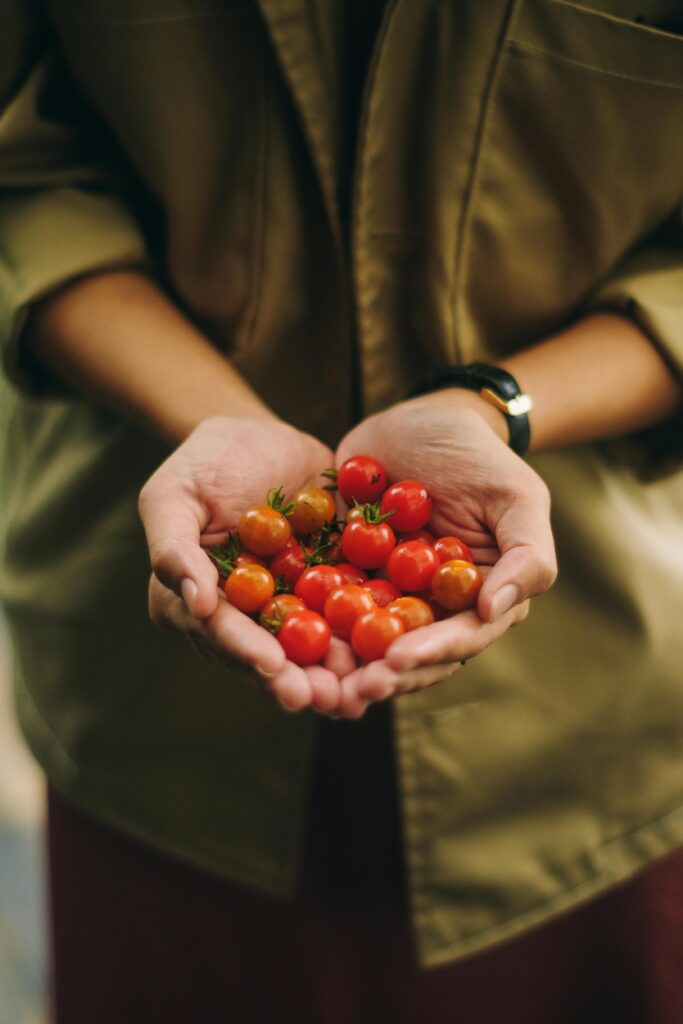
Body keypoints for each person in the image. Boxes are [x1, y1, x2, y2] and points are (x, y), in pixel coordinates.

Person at [1, 0, 682, 1020]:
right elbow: (23, 170)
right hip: (153, 721)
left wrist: (492, 409)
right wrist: (219, 421)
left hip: (584, 718)